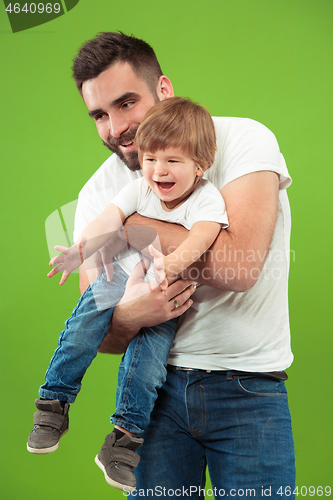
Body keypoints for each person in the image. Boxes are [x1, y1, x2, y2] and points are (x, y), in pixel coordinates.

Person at [47, 32, 297, 498]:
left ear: (164, 89)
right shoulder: (96, 194)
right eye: (99, 114)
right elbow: (97, 326)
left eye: (126, 103)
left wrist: (130, 228)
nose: (115, 127)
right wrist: (129, 315)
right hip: (150, 400)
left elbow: (238, 268)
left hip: (248, 392)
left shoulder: (242, 140)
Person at [27, 97, 229, 492]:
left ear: (200, 167)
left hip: (163, 292)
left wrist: (170, 266)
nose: (159, 170)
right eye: (151, 158)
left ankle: (123, 440)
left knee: (148, 365)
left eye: (173, 161)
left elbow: (203, 237)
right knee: (82, 328)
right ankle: (53, 404)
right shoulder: (140, 189)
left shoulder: (207, 199)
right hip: (117, 279)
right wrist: (80, 250)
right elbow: (108, 219)